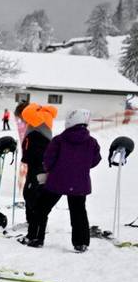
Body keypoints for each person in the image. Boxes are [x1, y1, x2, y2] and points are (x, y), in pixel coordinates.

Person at [25, 109, 100, 250]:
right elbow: (95, 160)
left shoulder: (59, 140)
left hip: (57, 181)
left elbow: (48, 160)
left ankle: (35, 238)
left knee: (41, 209)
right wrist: (80, 168)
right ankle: (81, 243)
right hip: (79, 183)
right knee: (79, 213)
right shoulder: (91, 142)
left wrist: (53, 170)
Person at [17, 103, 57, 246]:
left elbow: (34, 149)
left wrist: (27, 158)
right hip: (40, 166)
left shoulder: (37, 122)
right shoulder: (42, 120)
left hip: (38, 166)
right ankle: (34, 233)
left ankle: (35, 236)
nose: (22, 120)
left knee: (33, 199)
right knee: (34, 199)